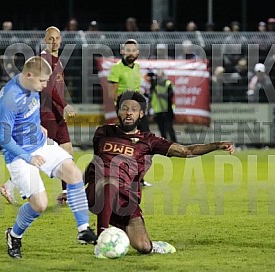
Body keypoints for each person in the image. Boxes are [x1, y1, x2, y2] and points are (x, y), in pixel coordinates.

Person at [84, 91, 235, 258]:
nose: (128, 112)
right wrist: (71, 189)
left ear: (140, 114)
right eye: (124, 108)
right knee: (109, 182)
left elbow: (186, 151)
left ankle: (147, 243)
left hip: (126, 200)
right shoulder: (103, 133)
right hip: (98, 192)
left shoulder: (148, 141)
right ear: (118, 111)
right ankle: (101, 239)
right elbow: (95, 162)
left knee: (143, 247)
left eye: (134, 109)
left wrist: (216, 145)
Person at [0, 56, 96, 258]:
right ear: (28, 75)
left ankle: (83, 229)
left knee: (73, 173)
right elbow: (3, 138)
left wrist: (37, 125)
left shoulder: (33, 86)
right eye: (42, 81)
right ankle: (14, 235)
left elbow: (29, 113)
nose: (44, 85)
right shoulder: (9, 98)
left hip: (41, 143)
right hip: (19, 155)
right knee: (39, 204)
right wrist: (28, 157)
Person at [0, 26, 75, 205]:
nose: (54, 41)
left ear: (61, 40)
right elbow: (48, 89)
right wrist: (64, 104)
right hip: (46, 114)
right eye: (51, 38)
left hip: (57, 115)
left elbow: (58, 88)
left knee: (67, 150)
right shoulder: (43, 60)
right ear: (45, 39)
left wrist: (62, 107)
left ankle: (65, 192)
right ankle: (9, 185)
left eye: (57, 38)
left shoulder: (58, 60)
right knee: (42, 155)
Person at [107, 38, 152, 186]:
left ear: (138, 52)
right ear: (122, 52)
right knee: (126, 146)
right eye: (128, 50)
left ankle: (139, 178)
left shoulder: (137, 67)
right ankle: (121, 177)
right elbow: (112, 94)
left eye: (133, 50)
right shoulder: (116, 68)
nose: (131, 53)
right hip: (126, 112)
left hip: (138, 111)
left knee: (145, 143)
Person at [150, 70, 177, 141]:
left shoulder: (168, 83)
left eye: (160, 75)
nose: (158, 77)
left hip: (167, 110)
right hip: (158, 111)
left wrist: (160, 95)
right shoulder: (154, 85)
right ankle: (165, 146)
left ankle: (174, 144)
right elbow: (151, 97)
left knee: (169, 129)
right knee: (161, 129)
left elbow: (170, 95)